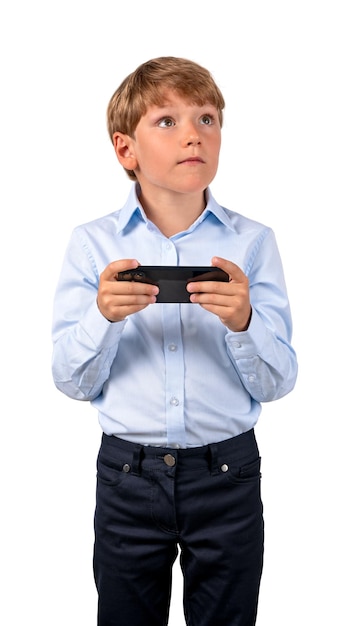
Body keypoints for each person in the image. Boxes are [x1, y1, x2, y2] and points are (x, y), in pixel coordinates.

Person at [51, 56, 298, 626]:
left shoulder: (254, 243)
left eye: (208, 118)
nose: (194, 133)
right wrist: (101, 318)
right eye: (167, 120)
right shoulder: (91, 245)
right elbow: (69, 380)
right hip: (127, 476)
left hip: (228, 476)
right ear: (124, 150)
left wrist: (245, 323)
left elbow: (281, 380)